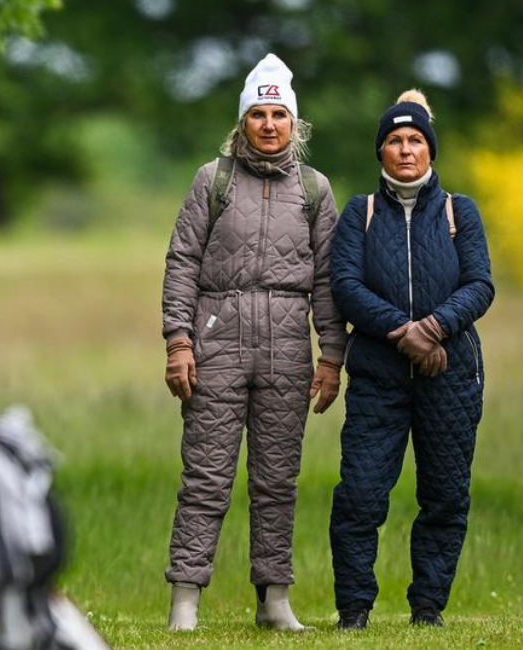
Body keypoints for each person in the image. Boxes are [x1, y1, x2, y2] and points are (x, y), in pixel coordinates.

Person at [160, 53, 346, 632]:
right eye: (258, 114)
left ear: (296, 123)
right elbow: (182, 262)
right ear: (242, 121)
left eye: (279, 114)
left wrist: (332, 355)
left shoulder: (315, 190)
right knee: (207, 476)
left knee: (276, 479)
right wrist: (178, 340)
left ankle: (274, 601)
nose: (268, 124)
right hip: (216, 340)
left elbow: (328, 280)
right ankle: (185, 602)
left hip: (289, 347)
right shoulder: (210, 181)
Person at [327, 90, 494, 630]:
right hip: (378, 377)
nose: (405, 150)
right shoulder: (361, 212)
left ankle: (427, 608)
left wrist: (436, 328)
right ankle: (354, 610)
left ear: (430, 150)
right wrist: (405, 333)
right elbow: (346, 287)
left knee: (444, 495)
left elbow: (480, 285)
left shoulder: (458, 212)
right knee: (360, 495)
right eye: (395, 141)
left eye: (415, 140)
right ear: (380, 152)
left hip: (451, 374)